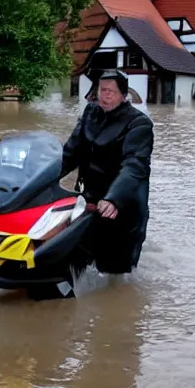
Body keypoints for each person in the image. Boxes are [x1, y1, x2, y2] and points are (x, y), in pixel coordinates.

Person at [60, 69, 154, 275]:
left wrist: (113, 199)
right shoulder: (90, 114)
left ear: (123, 94)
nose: (105, 95)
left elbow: (135, 165)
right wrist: (40, 180)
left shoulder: (139, 124)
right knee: (74, 260)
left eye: (111, 91)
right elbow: (70, 154)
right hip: (90, 202)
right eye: (102, 90)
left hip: (123, 206)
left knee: (115, 276)